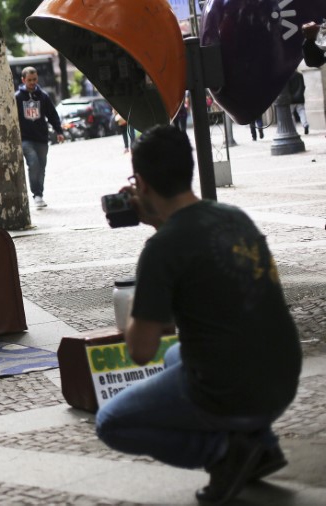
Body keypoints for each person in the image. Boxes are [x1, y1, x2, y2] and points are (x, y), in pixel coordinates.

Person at [95, 125, 301, 505]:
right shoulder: (234, 215)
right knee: (176, 355)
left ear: (139, 182)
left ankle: (224, 453)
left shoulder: (162, 248)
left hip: (231, 392)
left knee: (110, 422)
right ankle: (262, 445)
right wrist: (158, 226)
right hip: (284, 376)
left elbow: (140, 349)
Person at [15, 66, 64, 208]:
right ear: (23, 80)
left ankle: (40, 194)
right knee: (34, 163)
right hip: (25, 139)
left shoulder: (43, 96)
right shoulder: (17, 97)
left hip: (41, 138)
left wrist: (59, 131)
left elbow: (52, 115)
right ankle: (35, 194)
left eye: (34, 79)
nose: (32, 82)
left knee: (41, 167)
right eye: (29, 80)